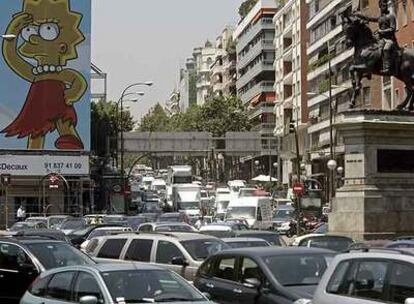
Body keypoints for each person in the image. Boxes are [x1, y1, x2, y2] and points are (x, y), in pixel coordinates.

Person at [354, 0, 397, 74]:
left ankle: (387, 67)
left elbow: (392, 28)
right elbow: (370, 18)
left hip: (390, 39)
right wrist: (360, 15)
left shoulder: (391, 16)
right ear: (380, 7)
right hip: (381, 40)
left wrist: (382, 31)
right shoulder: (380, 18)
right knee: (374, 49)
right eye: (383, 6)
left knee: (386, 49)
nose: (385, 7)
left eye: (386, 5)